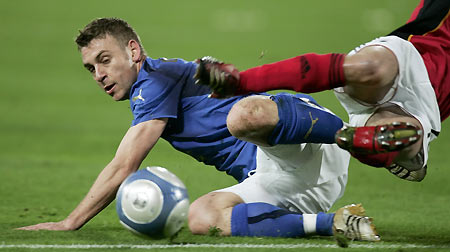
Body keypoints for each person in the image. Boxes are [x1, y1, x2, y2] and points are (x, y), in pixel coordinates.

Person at [16, 17, 379, 241]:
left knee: (241, 117)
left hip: (304, 136)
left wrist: (71, 222)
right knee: (201, 217)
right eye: (90, 68)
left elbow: (124, 165)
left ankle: (356, 138)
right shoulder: (161, 80)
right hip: (286, 180)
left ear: (133, 51)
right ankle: (335, 223)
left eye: (104, 60)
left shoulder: (154, 82)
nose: (99, 75)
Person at [194, 0, 448, 182]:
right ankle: (239, 82)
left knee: (406, 136)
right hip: (415, 52)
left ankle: (358, 140)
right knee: (371, 68)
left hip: (426, 104)